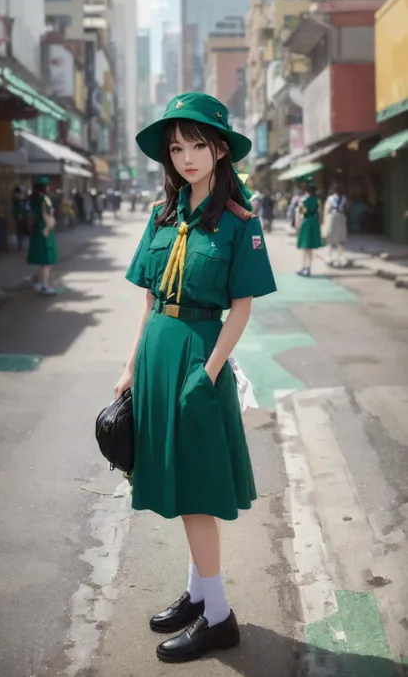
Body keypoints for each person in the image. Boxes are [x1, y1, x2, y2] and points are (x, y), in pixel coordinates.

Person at [114, 93, 277, 664]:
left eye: (198, 146)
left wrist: (206, 376)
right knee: (181, 485)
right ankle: (199, 591)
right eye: (177, 147)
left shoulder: (239, 223)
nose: (186, 157)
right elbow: (151, 299)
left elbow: (242, 308)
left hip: (198, 360)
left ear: (220, 151)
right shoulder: (162, 215)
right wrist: (132, 366)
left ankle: (219, 615)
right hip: (159, 355)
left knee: (199, 490)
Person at [27, 176, 58, 296]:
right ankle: (45, 286)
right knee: (47, 261)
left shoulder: (35, 199)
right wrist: (47, 228)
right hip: (45, 231)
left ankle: (41, 283)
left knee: (42, 260)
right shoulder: (45, 199)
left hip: (38, 230)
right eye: (48, 185)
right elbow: (47, 216)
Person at [296, 178, 324, 276]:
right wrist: (320, 223)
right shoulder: (318, 200)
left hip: (306, 222)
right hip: (314, 222)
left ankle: (303, 267)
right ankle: (309, 268)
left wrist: (297, 225)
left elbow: (301, 213)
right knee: (311, 247)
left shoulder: (303, 200)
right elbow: (320, 212)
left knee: (305, 246)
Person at [323, 183, 348, 267]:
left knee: (330, 238)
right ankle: (342, 258)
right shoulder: (344, 198)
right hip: (342, 217)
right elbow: (346, 209)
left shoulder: (330, 198)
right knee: (341, 239)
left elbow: (326, 210)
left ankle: (329, 258)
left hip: (332, 217)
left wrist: (324, 221)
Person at [12, 186, 27, 251]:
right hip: (18, 216)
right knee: (19, 230)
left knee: (21, 230)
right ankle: (20, 244)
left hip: (21, 216)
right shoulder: (15, 199)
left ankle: (21, 244)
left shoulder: (20, 200)